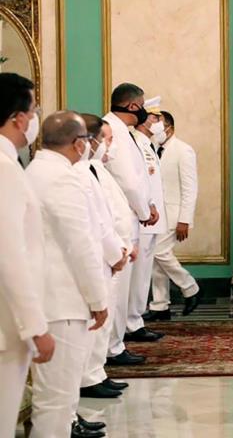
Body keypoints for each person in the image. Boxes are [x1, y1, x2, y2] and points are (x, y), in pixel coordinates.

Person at [26, 111, 109, 437]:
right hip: (62, 302)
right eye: (88, 141)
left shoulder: (37, 170)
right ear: (78, 144)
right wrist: (98, 298)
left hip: (48, 299)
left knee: (53, 400)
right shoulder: (62, 178)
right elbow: (81, 243)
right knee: (57, 404)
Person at [0, 73, 54, 437]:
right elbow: (9, 255)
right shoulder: (4, 169)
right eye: (33, 110)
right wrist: (35, 326)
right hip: (6, 325)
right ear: (20, 118)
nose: (34, 119)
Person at [76, 114, 131, 404]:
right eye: (105, 138)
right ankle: (90, 376)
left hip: (114, 252)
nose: (109, 144)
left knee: (106, 316)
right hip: (101, 255)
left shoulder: (96, 169)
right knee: (97, 318)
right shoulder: (81, 172)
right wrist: (116, 250)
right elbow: (97, 220)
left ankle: (97, 372)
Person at [103, 83, 158, 366]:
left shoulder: (124, 132)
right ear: (134, 106)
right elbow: (129, 179)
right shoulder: (117, 133)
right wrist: (144, 208)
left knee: (121, 291)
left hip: (127, 217)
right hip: (121, 219)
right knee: (117, 290)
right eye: (143, 104)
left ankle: (115, 342)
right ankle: (113, 347)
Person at [144, 110, 201, 321]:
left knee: (159, 252)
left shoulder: (183, 150)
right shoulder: (152, 149)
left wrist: (185, 219)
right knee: (156, 259)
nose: (155, 130)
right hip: (157, 214)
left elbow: (190, 187)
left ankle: (191, 288)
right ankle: (160, 306)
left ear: (170, 128)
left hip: (175, 214)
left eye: (159, 125)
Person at [126, 96, 169, 343]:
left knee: (144, 275)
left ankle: (136, 319)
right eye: (155, 118)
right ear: (144, 120)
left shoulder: (149, 144)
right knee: (138, 274)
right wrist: (145, 210)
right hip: (142, 218)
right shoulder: (135, 144)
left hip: (152, 220)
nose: (158, 123)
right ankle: (132, 322)